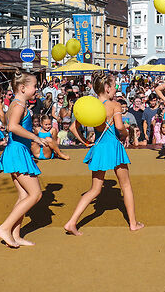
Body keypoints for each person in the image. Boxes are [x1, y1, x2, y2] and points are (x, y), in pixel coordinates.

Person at [64, 71, 144, 236]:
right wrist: (127, 133)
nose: (116, 89)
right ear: (107, 88)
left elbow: (73, 128)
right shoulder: (114, 105)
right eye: (114, 86)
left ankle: (72, 222)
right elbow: (120, 127)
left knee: (94, 189)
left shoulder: (90, 105)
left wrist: (86, 142)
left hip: (99, 147)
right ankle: (133, 223)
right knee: (126, 185)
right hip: (113, 147)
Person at [0, 71, 47, 248]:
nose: (36, 89)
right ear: (23, 88)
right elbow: (12, 126)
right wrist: (35, 137)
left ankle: (15, 235)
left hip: (18, 151)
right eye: (34, 86)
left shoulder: (18, 103)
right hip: (17, 152)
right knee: (36, 194)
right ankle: (4, 228)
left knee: (24, 195)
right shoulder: (19, 105)